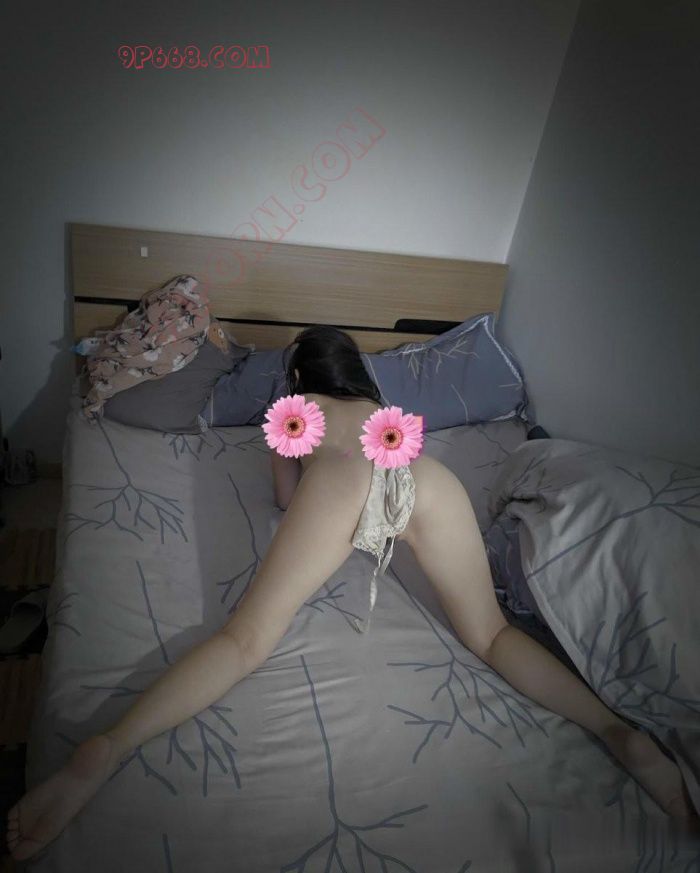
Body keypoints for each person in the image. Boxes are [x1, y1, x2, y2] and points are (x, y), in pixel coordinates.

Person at [5, 326, 697, 861]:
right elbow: (389, 471)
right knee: (491, 635)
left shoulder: (293, 409)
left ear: (299, 376)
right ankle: (619, 733)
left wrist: (306, 481)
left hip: (343, 480)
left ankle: (107, 748)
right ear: (356, 375)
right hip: (426, 482)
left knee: (245, 640)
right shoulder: (384, 410)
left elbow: (285, 498)